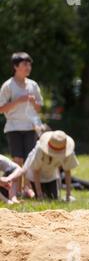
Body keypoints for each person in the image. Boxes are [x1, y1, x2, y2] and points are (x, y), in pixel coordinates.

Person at [0, 52, 43, 197]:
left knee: (29, 161)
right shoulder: (8, 85)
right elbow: (1, 108)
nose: (28, 67)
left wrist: (33, 102)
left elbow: (39, 108)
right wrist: (19, 100)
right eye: (25, 64)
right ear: (15, 66)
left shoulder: (33, 85)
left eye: (29, 64)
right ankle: (15, 190)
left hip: (30, 127)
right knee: (17, 160)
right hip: (13, 127)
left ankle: (26, 188)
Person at [22, 130, 79, 201]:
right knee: (39, 197)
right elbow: (36, 170)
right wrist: (39, 195)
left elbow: (67, 171)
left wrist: (68, 195)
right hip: (33, 176)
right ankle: (28, 191)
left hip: (51, 176)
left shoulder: (68, 152)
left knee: (53, 198)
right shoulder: (40, 149)